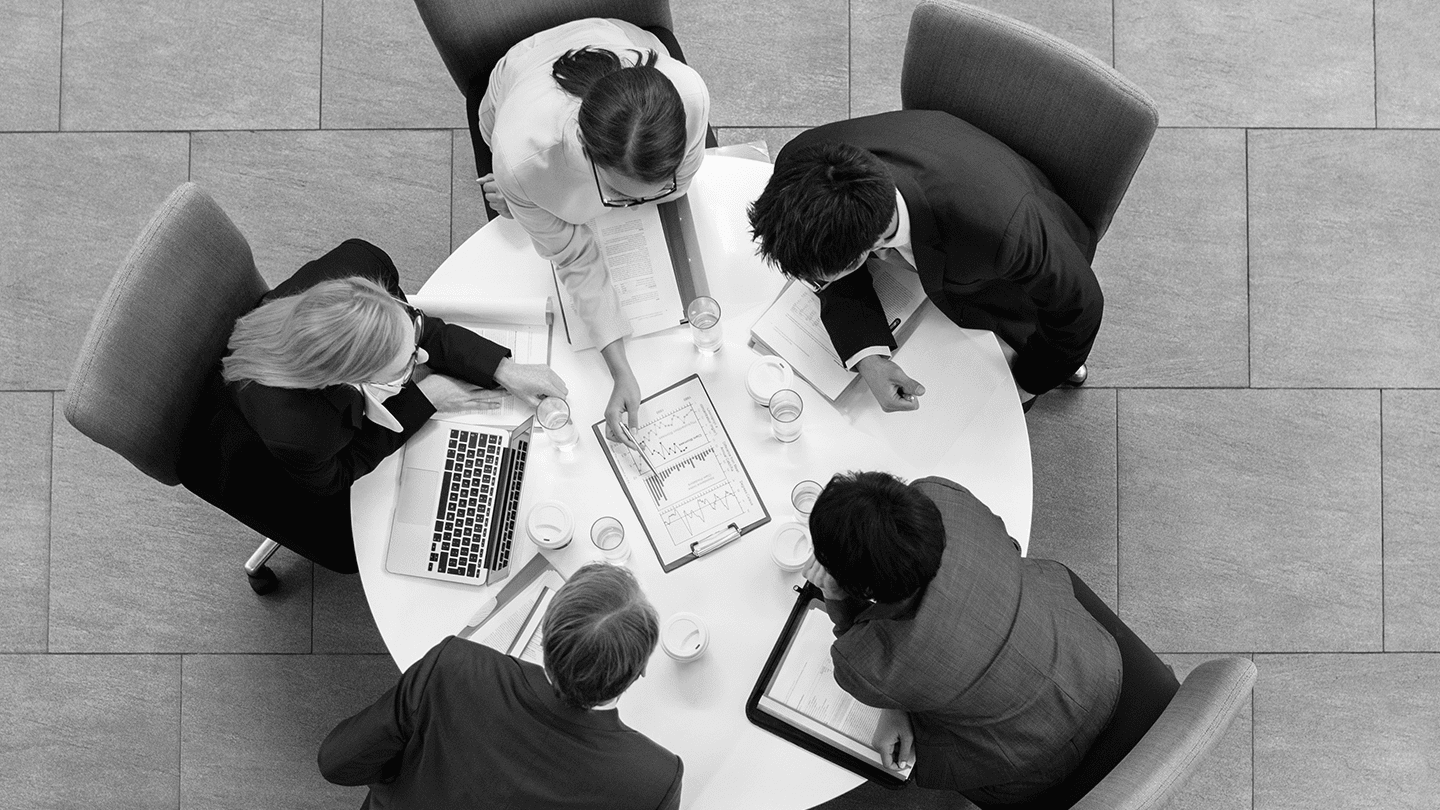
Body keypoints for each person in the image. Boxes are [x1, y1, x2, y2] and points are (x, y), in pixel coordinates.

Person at [178, 238, 566, 575]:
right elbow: (337, 474)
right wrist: (424, 397)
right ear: (350, 377)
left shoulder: (362, 266)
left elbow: (421, 328)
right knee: (357, 547)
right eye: (407, 365)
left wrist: (503, 368)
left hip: (291, 383)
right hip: (248, 458)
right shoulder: (301, 431)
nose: (424, 353)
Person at [747, 110, 1103, 412]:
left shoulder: (1002, 231)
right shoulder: (800, 161)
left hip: (1010, 284)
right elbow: (834, 262)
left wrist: (1029, 381)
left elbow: (1080, 307)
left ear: (864, 249)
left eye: (821, 276)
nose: (817, 282)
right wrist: (867, 354)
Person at [801, 471, 1121, 805]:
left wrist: (835, 593)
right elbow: (1010, 546)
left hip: (1031, 764)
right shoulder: (943, 495)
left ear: (868, 591)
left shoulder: (869, 663)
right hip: (1097, 664)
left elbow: (854, 641)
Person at [476, 18, 711, 449]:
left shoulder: (690, 95)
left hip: (619, 42)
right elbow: (573, 257)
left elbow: (684, 182)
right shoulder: (523, 156)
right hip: (521, 84)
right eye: (619, 195)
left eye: (657, 188)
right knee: (512, 196)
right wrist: (524, 192)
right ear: (586, 151)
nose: (629, 209)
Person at [318, 562, 683, 809]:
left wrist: (409, 782)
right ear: (641, 671)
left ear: (546, 631)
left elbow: (338, 762)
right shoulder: (653, 780)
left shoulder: (455, 667)